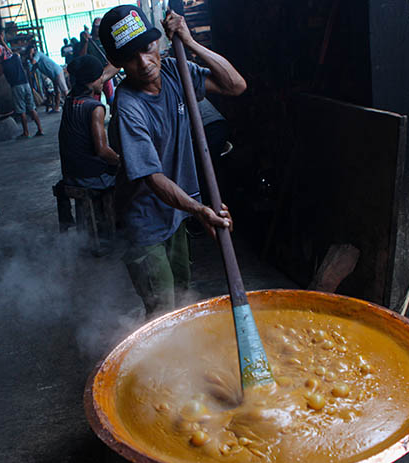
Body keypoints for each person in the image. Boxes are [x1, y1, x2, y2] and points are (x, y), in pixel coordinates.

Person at [99, 6, 246, 315]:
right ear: (116, 63)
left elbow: (235, 85)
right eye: (130, 57)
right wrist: (199, 209)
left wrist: (190, 42)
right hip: (143, 223)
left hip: (174, 213)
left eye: (147, 48)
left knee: (182, 295)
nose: (144, 62)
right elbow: (152, 177)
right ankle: (160, 364)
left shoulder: (174, 69)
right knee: (162, 310)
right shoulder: (128, 107)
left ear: (159, 44)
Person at [54, 55, 121, 233]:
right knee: (127, 173)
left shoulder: (70, 99)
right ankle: (118, 227)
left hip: (70, 174)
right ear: (92, 81)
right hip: (89, 177)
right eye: (100, 77)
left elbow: (105, 73)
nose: (104, 80)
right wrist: (121, 160)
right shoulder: (95, 108)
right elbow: (102, 151)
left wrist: (121, 56)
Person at [0, 41, 44, 138]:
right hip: (26, 85)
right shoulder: (16, 57)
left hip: (17, 87)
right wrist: (2, 41)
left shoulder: (3, 64)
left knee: (21, 111)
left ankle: (26, 133)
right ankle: (40, 129)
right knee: (32, 108)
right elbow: (10, 52)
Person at [24, 45, 68, 113]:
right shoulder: (36, 60)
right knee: (57, 91)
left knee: (64, 90)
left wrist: (30, 54)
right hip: (53, 75)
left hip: (57, 72)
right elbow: (32, 70)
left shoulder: (38, 54)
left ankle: (71, 104)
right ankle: (57, 108)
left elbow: (33, 62)